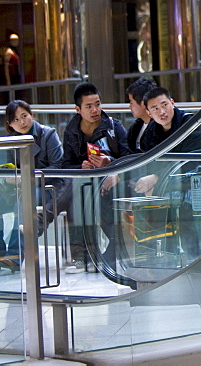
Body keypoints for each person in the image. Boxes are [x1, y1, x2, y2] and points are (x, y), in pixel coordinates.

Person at [0, 101, 65, 273]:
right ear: (10, 124)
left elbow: (58, 167)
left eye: (24, 116)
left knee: (22, 203)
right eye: (16, 120)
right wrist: (10, 179)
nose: (22, 122)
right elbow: (12, 168)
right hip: (20, 188)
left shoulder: (48, 134)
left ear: (31, 114)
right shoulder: (12, 140)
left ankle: (14, 256)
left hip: (46, 187)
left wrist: (29, 176)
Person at [136, 87, 201, 258]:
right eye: (155, 108)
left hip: (196, 182)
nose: (162, 112)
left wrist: (156, 177)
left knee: (178, 203)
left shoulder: (191, 123)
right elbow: (149, 162)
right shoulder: (151, 131)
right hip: (169, 184)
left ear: (172, 103)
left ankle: (193, 256)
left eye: (164, 105)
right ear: (148, 112)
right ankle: (163, 255)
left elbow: (192, 163)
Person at [62, 82, 129, 270]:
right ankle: (82, 255)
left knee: (92, 197)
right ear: (78, 109)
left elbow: (129, 158)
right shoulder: (71, 132)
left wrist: (110, 163)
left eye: (98, 104)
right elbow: (66, 164)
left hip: (109, 180)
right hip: (84, 182)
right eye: (89, 106)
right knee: (78, 195)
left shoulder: (114, 127)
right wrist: (80, 166)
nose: (95, 110)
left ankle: (112, 248)